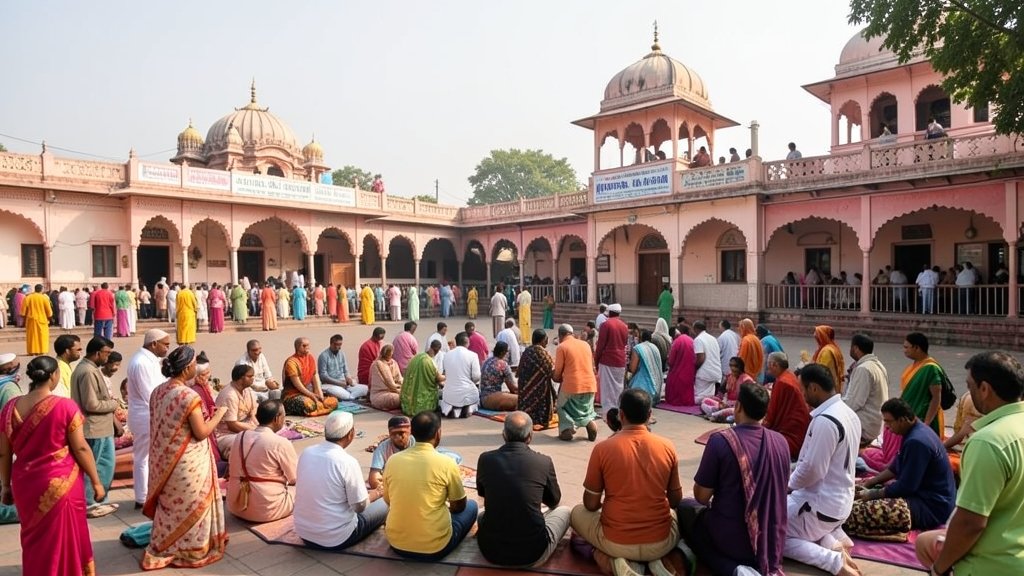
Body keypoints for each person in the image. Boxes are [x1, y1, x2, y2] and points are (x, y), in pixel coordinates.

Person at [916, 351, 1024, 575]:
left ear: (984, 389)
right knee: (925, 541)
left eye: (970, 385)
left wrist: (939, 568)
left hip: (992, 563)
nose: (968, 392)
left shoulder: (988, 441)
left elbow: (970, 523)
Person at [0, 355, 106, 575]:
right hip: (61, 484)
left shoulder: (10, 408)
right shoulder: (65, 406)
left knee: (34, 539)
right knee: (65, 538)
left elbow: (3, 452)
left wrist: (5, 486)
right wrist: (96, 482)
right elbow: (81, 448)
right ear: (54, 376)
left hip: (25, 484)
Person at [678, 383, 791, 576]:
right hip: (770, 540)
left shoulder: (720, 441)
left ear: (737, 407)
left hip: (732, 540)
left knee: (686, 512)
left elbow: (702, 497)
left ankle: (735, 570)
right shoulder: (780, 441)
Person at [571, 389, 684, 576]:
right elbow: (675, 501)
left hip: (616, 542)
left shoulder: (603, 449)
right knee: (677, 514)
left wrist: (608, 508)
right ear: (650, 415)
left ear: (621, 415)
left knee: (575, 513)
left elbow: (590, 505)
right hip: (660, 543)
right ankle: (656, 562)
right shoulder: (667, 446)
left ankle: (615, 562)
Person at [142, 345, 228, 570]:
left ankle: (167, 544)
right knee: (192, 505)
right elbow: (201, 432)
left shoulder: (158, 391)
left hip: (164, 460)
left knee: (171, 506)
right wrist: (219, 415)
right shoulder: (188, 396)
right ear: (188, 367)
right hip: (188, 463)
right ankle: (192, 549)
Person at [784, 363, 862, 576]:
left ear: (814, 389)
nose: (802, 395)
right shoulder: (848, 413)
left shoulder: (826, 421)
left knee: (771, 534)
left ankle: (833, 561)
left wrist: (787, 485)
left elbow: (812, 470)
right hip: (838, 504)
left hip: (821, 506)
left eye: (803, 390)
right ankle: (833, 542)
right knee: (788, 514)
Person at [846, 398, 956, 541]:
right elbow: (894, 468)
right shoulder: (913, 432)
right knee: (855, 497)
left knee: (854, 513)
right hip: (923, 497)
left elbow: (906, 486)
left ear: (903, 420)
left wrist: (871, 494)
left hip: (932, 507)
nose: (886, 427)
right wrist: (868, 484)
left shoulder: (917, 442)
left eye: (889, 422)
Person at [477, 411, 571, 567]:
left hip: (491, 551)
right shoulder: (543, 461)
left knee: (480, 514)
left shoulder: (485, 459)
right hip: (533, 554)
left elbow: (482, 493)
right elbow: (554, 500)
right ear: (530, 436)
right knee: (566, 511)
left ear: (504, 434)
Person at [383, 411, 477, 560]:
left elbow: (388, 500)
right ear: (438, 433)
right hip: (435, 547)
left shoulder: (392, 460)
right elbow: (459, 506)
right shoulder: (447, 463)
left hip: (397, 544)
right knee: (472, 506)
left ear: (412, 433)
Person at [294, 410, 388, 550]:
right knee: (386, 502)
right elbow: (359, 507)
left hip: (304, 533)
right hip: (337, 538)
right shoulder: (347, 462)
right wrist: (376, 494)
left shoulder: (307, 452)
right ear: (351, 434)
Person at [70, 336, 120, 518]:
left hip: (100, 428)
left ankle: (99, 501)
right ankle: (91, 503)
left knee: (103, 466)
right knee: (98, 467)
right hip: (94, 429)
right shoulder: (88, 372)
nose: (108, 357)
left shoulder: (89, 369)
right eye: (107, 353)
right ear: (97, 353)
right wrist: (113, 404)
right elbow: (91, 404)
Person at [226, 399, 297, 523]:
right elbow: (294, 478)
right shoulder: (280, 442)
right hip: (267, 509)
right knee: (307, 488)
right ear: (277, 419)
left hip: (235, 505)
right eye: (284, 416)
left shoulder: (240, 436)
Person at [126, 328, 171, 509]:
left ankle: (150, 493)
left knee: (151, 457)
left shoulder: (150, 360)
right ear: (154, 344)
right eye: (165, 345)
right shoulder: (141, 363)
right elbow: (151, 394)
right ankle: (142, 498)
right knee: (143, 458)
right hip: (146, 416)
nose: (167, 348)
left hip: (151, 414)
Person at [553, 324, 599, 441]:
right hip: (590, 384)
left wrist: (555, 377)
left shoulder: (562, 347)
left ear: (560, 335)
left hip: (572, 385)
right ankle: (590, 423)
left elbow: (558, 372)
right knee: (585, 409)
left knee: (560, 406)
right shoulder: (585, 345)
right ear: (572, 333)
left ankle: (566, 429)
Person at [763, 352, 811, 460]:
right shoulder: (789, 375)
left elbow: (772, 412)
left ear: (775, 365)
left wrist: (761, 429)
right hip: (800, 431)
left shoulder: (782, 382)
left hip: (791, 435)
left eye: (768, 364)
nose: (767, 367)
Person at [844, 334, 889, 447]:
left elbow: (854, 402)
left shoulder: (863, 369)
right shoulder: (878, 365)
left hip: (865, 427)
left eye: (851, 347)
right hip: (876, 424)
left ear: (855, 348)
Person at [282, 337, 339, 416]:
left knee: (334, 401)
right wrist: (311, 395)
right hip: (292, 395)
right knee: (309, 405)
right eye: (304, 346)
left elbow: (315, 377)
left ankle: (318, 409)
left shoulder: (310, 358)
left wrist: (320, 394)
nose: (307, 348)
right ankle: (318, 409)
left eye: (308, 345)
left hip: (308, 394)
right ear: (297, 347)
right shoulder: (292, 362)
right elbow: (298, 385)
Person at [214, 364, 260, 458]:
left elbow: (254, 409)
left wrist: (256, 423)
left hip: (245, 428)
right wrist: (255, 430)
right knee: (247, 444)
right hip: (226, 434)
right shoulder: (229, 395)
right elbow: (232, 425)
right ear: (241, 379)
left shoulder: (247, 390)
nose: (253, 378)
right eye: (250, 376)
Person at [518, 329, 557, 429]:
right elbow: (552, 374)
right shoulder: (543, 354)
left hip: (525, 391)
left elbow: (519, 372)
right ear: (544, 340)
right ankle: (541, 419)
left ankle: (526, 416)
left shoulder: (526, 352)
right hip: (540, 393)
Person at [595, 303, 628, 417]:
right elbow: (624, 343)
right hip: (621, 360)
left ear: (609, 313)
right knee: (618, 387)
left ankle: (608, 413)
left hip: (608, 360)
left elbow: (600, 345)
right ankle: (618, 409)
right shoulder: (624, 326)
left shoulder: (606, 324)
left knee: (607, 388)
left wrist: (596, 360)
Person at [702, 356, 755, 422]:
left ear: (740, 367)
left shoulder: (746, 380)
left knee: (730, 411)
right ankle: (717, 413)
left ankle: (714, 415)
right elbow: (722, 393)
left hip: (738, 407)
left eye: (735, 366)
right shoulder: (730, 376)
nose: (733, 368)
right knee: (705, 400)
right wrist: (722, 402)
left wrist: (728, 404)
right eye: (731, 365)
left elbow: (745, 401)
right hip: (726, 404)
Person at [367, 415, 416, 489]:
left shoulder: (418, 443)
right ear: (389, 433)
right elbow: (374, 477)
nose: (398, 437)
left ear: (410, 431)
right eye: (394, 434)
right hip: (391, 486)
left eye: (401, 433)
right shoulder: (382, 448)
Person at [441, 332, 482, 418]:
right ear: (467, 342)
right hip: (468, 393)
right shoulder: (473, 355)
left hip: (449, 395)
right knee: (475, 395)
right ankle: (468, 408)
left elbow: (444, 373)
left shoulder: (447, 355)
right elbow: (476, 376)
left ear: (456, 342)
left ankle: (454, 409)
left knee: (447, 400)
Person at [400, 340, 445, 416]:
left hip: (408, 400)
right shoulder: (430, 362)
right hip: (422, 402)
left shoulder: (416, 357)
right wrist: (446, 376)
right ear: (437, 351)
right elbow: (438, 378)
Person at [317, 334, 369, 401]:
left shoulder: (342, 354)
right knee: (340, 393)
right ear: (331, 343)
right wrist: (339, 383)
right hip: (331, 384)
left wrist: (348, 378)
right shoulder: (323, 356)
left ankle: (351, 396)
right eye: (336, 344)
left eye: (340, 344)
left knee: (366, 388)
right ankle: (351, 397)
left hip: (344, 383)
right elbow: (323, 376)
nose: (338, 347)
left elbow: (346, 370)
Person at [480, 341, 519, 411]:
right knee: (521, 400)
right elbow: (513, 388)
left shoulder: (486, 361)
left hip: (483, 397)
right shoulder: (503, 365)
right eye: (507, 352)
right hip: (491, 397)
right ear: (503, 352)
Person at [630, 329, 666, 404]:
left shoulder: (638, 348)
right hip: (656, 387)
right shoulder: (655, 348)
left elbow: (633, 369)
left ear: (641, 338)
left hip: (641, 387)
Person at [692, 321, 721, 403]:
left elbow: (701, 358)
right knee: (708, 397)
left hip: (704, 374)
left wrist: (694, 369)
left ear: (696, 329)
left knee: (698, 398)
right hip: (715, 372)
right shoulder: (713, 338)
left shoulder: (698, 339)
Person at [664, 327, 695, 406]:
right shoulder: (691, 340)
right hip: (689, 371)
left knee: (673, 387)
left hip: (678, 372)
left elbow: (671, 361)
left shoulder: (677, 342)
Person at [369, 344, 403, 411]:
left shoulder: (394, 362)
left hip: (395, 390)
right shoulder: (378, 364)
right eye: (388, 354)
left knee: (408, 395)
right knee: (398, 398)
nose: (390, 355)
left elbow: (399, 378)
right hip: (380, 394)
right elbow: (391, 385)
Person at [813, 325, 846, 394]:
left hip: (827, 388)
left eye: (817, 336)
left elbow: (820, 370)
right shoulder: (833, 347)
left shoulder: (827, 351)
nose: (814, 336)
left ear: (822, 336)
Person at [21, 284, 52, 356]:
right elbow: (49, 312)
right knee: (42, 336)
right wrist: (49, 317)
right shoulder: (44, 298)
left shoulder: (28, 297)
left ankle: (32, 351)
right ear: (41, 290)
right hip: (42, 319)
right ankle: (42, 350)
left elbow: (23, 312)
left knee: (32, 336)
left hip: (31, 320)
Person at [54, 333, 82, 398]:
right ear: (67, 351)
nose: (80, 352)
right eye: (78, 350)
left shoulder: (64, 364)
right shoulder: (59, 369)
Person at [717, 319, 741, 385]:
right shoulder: (735, 335)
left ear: (722, 326)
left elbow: (717, 351)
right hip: (736, 364)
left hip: (725, 364)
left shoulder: (722, 337)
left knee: (725, 384)